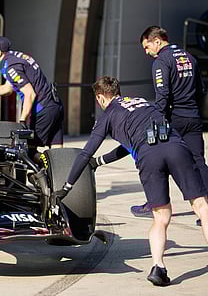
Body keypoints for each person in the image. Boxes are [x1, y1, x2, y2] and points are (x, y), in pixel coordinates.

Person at [58, 76, 208, 286]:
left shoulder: (108, 115)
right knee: (201, 206)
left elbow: (85, 153)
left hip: (148, 155)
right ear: (118, 91)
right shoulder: (143, 102)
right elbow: (129, 144)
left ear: (100, 97)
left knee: (161, 216)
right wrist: (100, 162)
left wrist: (67, 186)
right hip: (175, 146)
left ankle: (158, 267)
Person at [131, 26, 208, 224]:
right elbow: (201, 90)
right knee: (199, 161)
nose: (147, 52)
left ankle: (155, 204)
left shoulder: (161, 61)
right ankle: (205, 210)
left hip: (174, 119)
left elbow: (162, 95)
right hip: (193, 117)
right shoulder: (189, 57)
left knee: (158, 160)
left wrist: (157, 118)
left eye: (147, 47)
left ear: (156, 41)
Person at [0, 36, 64, 154]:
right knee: (57, 151)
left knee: (26, 150)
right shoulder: (14, 58)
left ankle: (40, 172)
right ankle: (56, 170)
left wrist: (22, 121)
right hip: (54, 105)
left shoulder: (11, 67)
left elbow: (30, 94)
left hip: (42, 109)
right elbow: (7, 89)